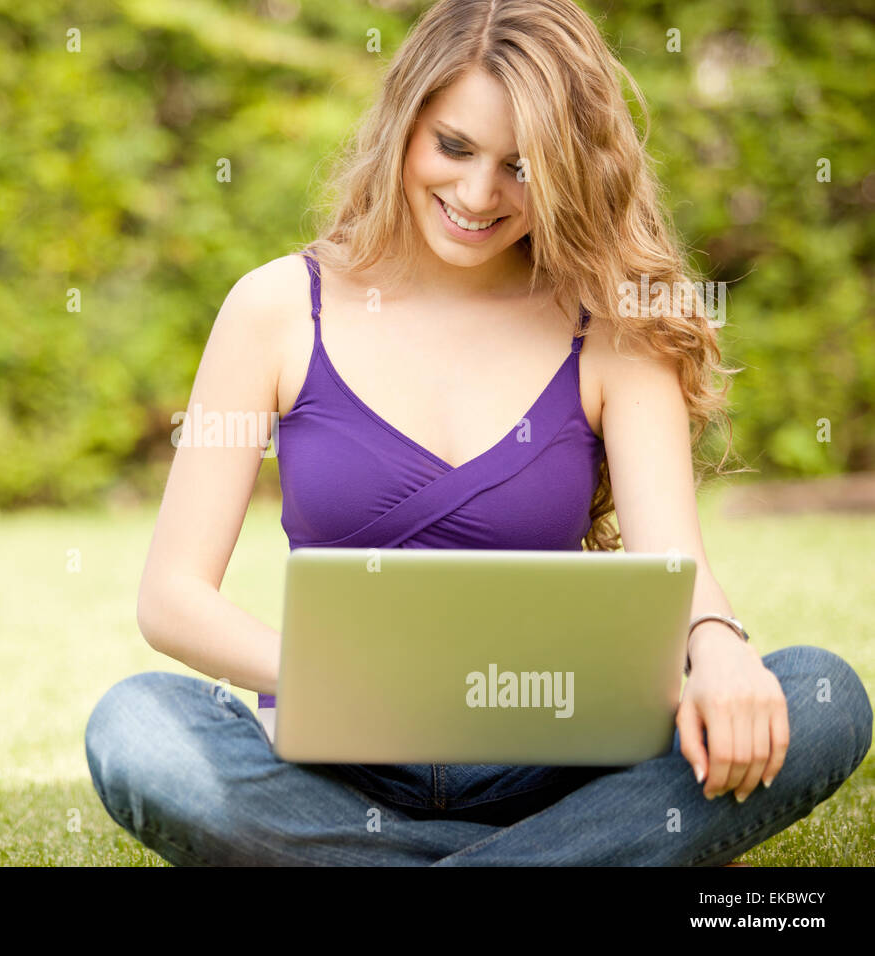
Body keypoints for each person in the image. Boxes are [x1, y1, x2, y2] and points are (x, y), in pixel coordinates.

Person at [84, 0, 872, 865]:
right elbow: (171, 598)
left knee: (822, 697)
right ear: (405, 122)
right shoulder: (276, 308)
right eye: (454, 147)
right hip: (342, 772)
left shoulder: (611, 328)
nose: (475, 195)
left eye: (522, 168)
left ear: (574, 171)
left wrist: (718, 651)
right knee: (138, 726)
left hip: (558, 769)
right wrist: (341, 683)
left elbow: (677, 567)